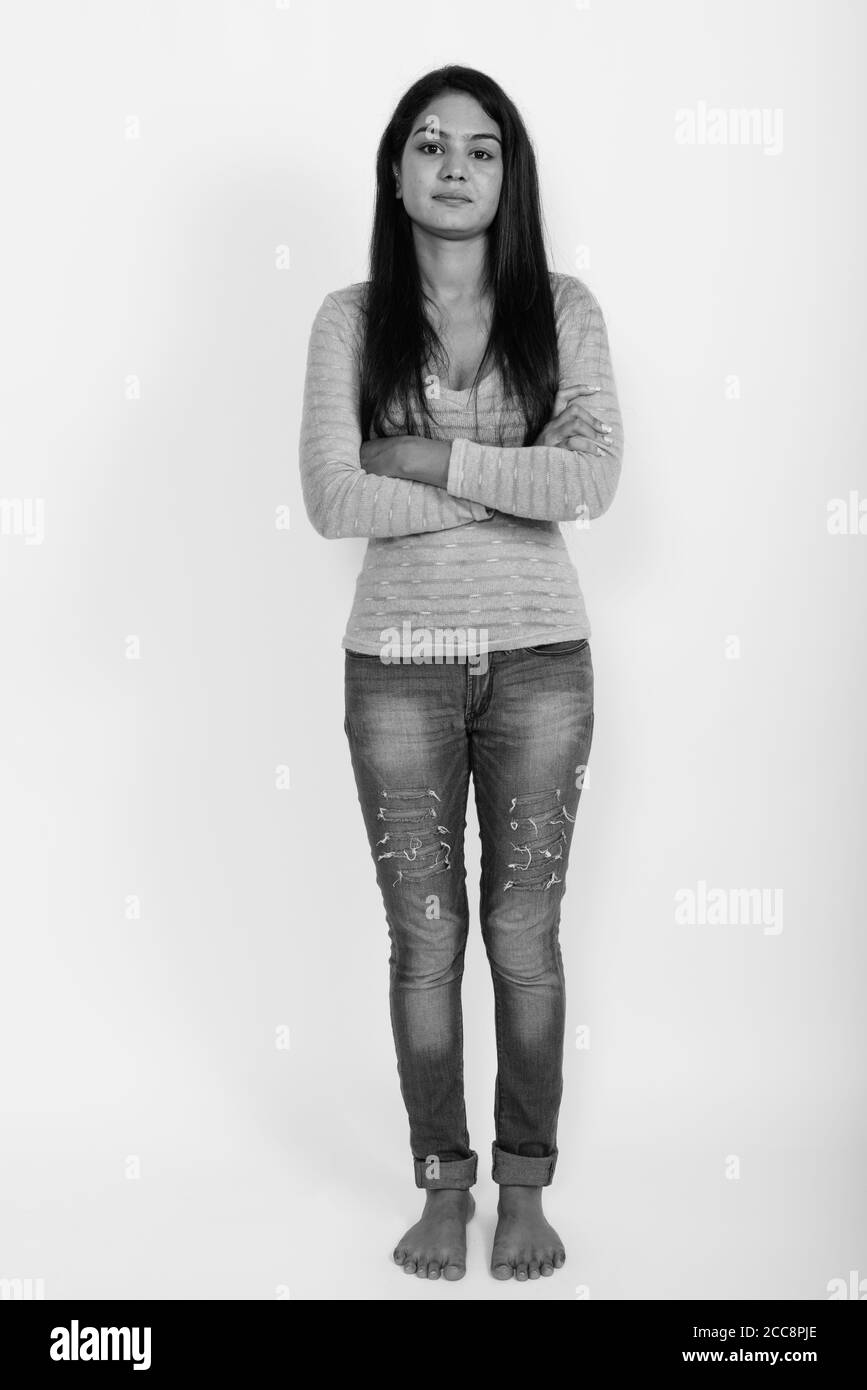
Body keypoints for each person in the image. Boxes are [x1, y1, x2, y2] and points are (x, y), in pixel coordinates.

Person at [299, 64, 623, 1282]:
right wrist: (504, 478)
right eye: (429, 144)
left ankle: (525, 1183)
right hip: (397, 666)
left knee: (524, 936)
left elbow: (589, 482)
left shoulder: (565, 309)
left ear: (508, 174)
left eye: (481, 149)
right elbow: (335, 497)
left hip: (542, 662)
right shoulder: (348, 318)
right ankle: (446, 1184)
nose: (453, 166)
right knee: (426, 941)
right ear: (395, 169)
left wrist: (427, 456)